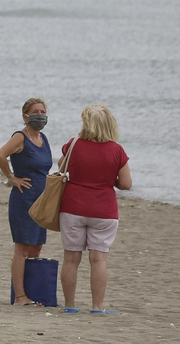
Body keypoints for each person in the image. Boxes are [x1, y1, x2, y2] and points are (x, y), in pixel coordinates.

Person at [58, 104, 131, 315]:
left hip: (73, 207)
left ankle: (70, 305)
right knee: (98, 259)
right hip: (104, 210)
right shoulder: (117, 150)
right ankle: (97, 307)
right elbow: (126, 184)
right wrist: (108, 180)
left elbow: (61, 168)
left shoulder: (74, 145)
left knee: (71, 259)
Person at [0, 97, 52, 306]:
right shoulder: (20, 137)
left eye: (43, 111)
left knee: (37, 247)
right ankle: (20, 296)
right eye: (35, 111)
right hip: (24, 198)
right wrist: (12, 178)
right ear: (25, 116)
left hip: (42, 199)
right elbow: (0, 155)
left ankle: (32, 292)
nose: (40, 115)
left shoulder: (43, 138)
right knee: (23, 248)